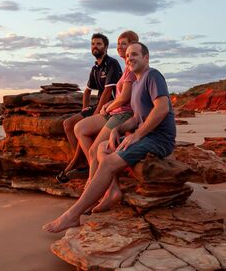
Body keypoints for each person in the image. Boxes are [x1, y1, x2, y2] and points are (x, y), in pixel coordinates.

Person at [44, 42, 176, 233]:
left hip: (159, 139)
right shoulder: (138, 83)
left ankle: (72, 216)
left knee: (108, 162)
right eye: (128, 55)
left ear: (146, 58)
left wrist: (137, 135)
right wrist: (118, 129)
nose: (130, 58)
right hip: (147, 135)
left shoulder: (153, 76)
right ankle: (109, 191)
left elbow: (162, 109)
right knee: (102, 147)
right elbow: (138, 118)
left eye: (135, 54)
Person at [70, 30, 139, 181]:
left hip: (123, 113)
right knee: (79, 128)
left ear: (133, 45)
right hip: (114, 110)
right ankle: (87, 165)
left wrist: (107, 106)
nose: (120, 47)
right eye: (119, 44)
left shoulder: (129, 68)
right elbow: (92, 91)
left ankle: (94, 184)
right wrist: (107, 105)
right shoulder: (126, 67)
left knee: (95, 149)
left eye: (124, 44)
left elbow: (123, 97)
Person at [56, 33, 123, 182]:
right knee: (68, 124)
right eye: (93, 44)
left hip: (111, 105)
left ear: (105, 47)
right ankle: (80, 161)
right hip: (98, 104)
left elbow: (107, 91)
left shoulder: (111, 63)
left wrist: (96, 113)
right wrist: (84, 109)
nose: (95, 47)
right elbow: (87, 91)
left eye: (99, 44)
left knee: (82, 127)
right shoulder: (95, 68)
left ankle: (80, 163)